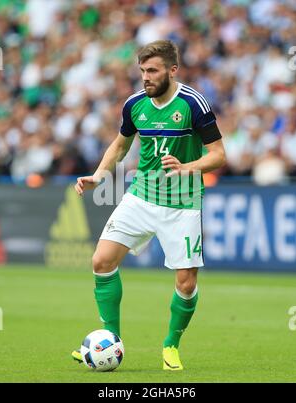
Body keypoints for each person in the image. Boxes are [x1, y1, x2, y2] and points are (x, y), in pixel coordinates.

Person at [72, 40, 226, 370]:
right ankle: (110, 338)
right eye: (142, 71)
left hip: (183, 203)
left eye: (153, 71)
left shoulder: (193, 104)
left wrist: (188, 167)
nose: (146, 77)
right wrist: (99, 176)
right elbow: (120, 144)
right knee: (101, 261)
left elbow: (219, 155)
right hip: (141, 195)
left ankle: (171, 345)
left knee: (186, 283)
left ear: (172, 70)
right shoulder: (135, 105)